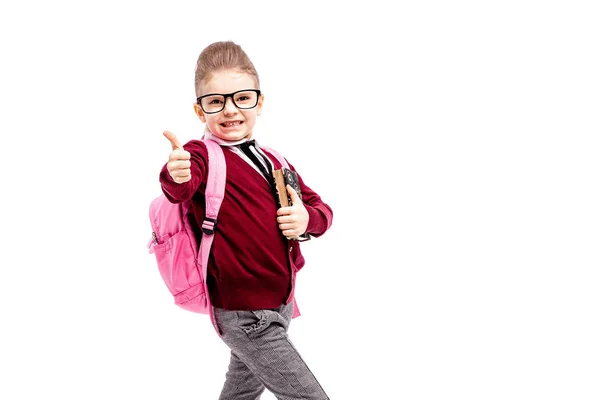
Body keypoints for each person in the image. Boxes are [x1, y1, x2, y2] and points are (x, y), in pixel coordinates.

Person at [159, 40, 333, 400]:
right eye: (215, 101)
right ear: (199, 110)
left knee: (239, 394)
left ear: (259, 101)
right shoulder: (200, 156)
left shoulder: (274, 160)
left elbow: (320, 210)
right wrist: (175, 174)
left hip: (281, 304)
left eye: (241, 98)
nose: (229, 110)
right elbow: (181, 185)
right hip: (244, 314)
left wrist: (306, 219)